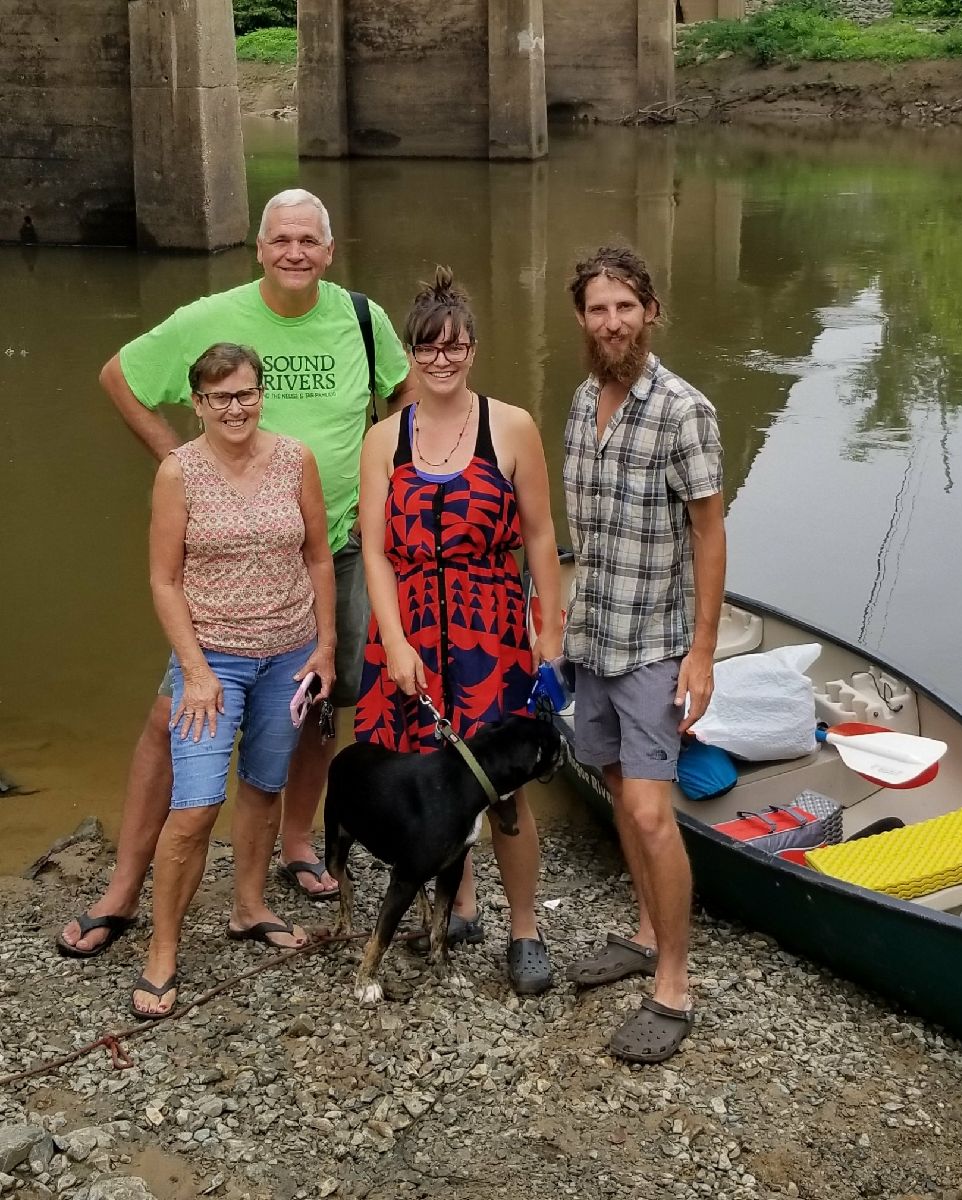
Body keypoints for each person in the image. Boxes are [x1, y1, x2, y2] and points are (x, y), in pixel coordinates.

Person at [57, 189, 411, 958]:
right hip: (225, 559)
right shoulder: (210, 317)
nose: (294, 251)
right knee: (172, 714)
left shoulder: (361, 317)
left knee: (322, 701)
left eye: (307, 240)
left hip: (337, 546)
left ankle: (294, 846)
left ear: (328, 248)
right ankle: (124, 884)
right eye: (279, 238)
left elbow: (402, 400)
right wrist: (179, 465)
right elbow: (119, 375)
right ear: (258, 249)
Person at [354, 267, 563, 994]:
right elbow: (376, 551)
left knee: (504, 790)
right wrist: (396, 642)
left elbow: (539, 537)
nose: (439, 360)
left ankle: (526, 927)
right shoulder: (385, 439)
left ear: (472, 348)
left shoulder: (511, 427)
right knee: (431, 774)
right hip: (409, 631)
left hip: (492, 634)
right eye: (426, 348)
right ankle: (460, 902)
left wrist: (548, 635)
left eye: (454, 346)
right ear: (410, 353)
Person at [132, 343, 335, 1017]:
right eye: (220, 397)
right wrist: (192, 670)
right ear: (197, 404)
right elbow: (163, 579)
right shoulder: (178, 473)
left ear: (261, 394)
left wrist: (327, 646)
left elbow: (318, 556)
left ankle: (249, 906)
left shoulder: (295, 460)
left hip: (290, 654)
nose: (235, 407)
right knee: (193, 807)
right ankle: (163, 951)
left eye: (246, 393)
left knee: (264, 786)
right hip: (211, 660)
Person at [561, 245, 726, 1063]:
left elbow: (709, 531)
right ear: (583, 319)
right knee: (621, 792)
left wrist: (702, 653)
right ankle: (640, 927)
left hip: (656, 642)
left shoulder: (683, 409)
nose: (612, 321)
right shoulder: (583, 400)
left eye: (625, 306)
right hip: (595, 637)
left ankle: (673, 981)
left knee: (654, 812)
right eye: (598, 308)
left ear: (650, 312)